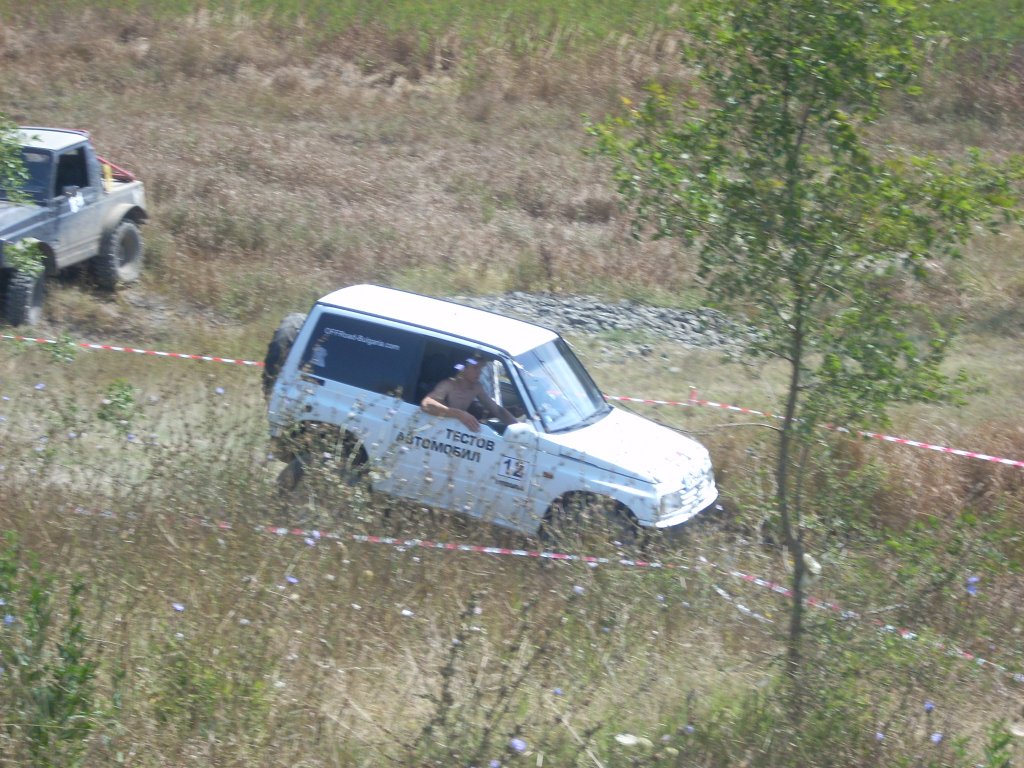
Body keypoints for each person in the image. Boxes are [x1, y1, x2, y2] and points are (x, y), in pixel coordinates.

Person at [421, 356, 517, 432]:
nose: (479, 372)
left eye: (481, 368)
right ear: (463, 369)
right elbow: (426, 404)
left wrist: (517, 427)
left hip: (457, 431)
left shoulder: (476, 387)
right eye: (475, 368)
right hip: (437, 430)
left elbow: (497, 410)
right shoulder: (448, 384)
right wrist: (459, 414)